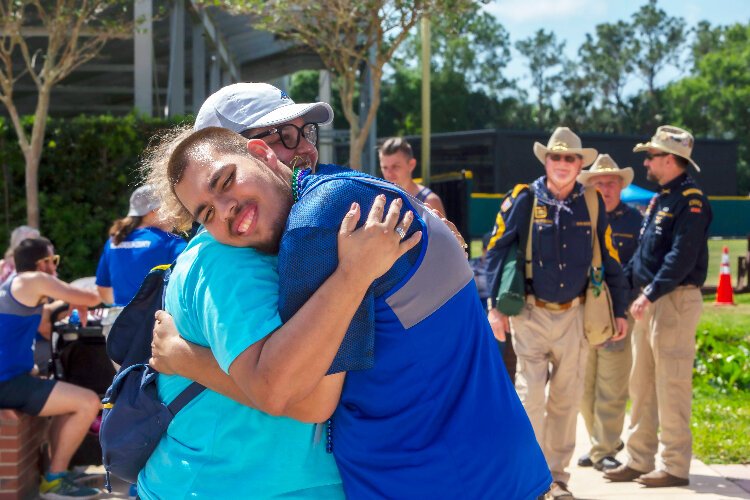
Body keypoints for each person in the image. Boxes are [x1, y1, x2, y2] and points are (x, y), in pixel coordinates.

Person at [143, 83, 550, 499]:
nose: (305, 150)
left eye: (305, 132)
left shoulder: (318, 223)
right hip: (484, 464)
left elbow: (298, 397)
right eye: (284, 135)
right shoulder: (333, 203)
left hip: (434, 473)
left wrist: (185, 358)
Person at [485, 127, 629, 499]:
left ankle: (557, 477)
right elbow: (497, 250)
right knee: (531, 397)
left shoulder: (593, 202)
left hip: (575, 315)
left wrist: (621, 310)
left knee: (564, 400)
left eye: (570, 158)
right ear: (545, 161)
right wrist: (494, 309)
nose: (563, 164)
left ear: (580, 164)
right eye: (556, 157)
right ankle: (529, 478)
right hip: (530, 313)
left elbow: (610, 258)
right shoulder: (524, 198)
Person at [604, 126, 712, 488]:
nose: (647, 162)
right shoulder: (660, 198)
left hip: (674, 300)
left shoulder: (691, 200)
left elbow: (683, 256)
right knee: (643, 384)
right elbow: (643, 256)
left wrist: (649, 293)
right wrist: (624, 294)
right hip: (648, 302)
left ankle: (676, 465)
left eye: (651, 156)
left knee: (672, 384)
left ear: (669, 159)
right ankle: (639, 458)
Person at [0, 238, 102, 499]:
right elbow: (91, 296)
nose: (54, 266)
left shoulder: (18, 284)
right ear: (42, 262)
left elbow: (44, 318)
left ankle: (57, 472)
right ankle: (54, 483)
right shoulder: (34, 279)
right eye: (52, 260)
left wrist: (62, 305)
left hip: (14, 377)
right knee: (88, 402)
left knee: (68, 399)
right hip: (6, 383)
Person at [575, 154, 642, 472]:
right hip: (585, 313)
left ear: (620, 186)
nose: (605, 188)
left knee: (611, 385)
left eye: (611, 182)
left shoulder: (634, 220)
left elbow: (636, 266)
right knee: (584, 387)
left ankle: (604, 449)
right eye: (599, 183)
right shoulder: (580, 216)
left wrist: (620, 304)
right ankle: (600, 443)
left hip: (618, 310)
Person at [95, 184, 186, 307]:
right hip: (154, 321)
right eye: (169, 208)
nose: (173, 215)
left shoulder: (114, 241)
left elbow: (103, 291)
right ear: (154, 211)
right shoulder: (170, 242)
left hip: (118, 321)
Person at [379, 136, 446, 216]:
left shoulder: (429, 201)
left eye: (395, 167)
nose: (389, 173)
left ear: (411, 165)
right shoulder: (380, 199)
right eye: (385, 167)